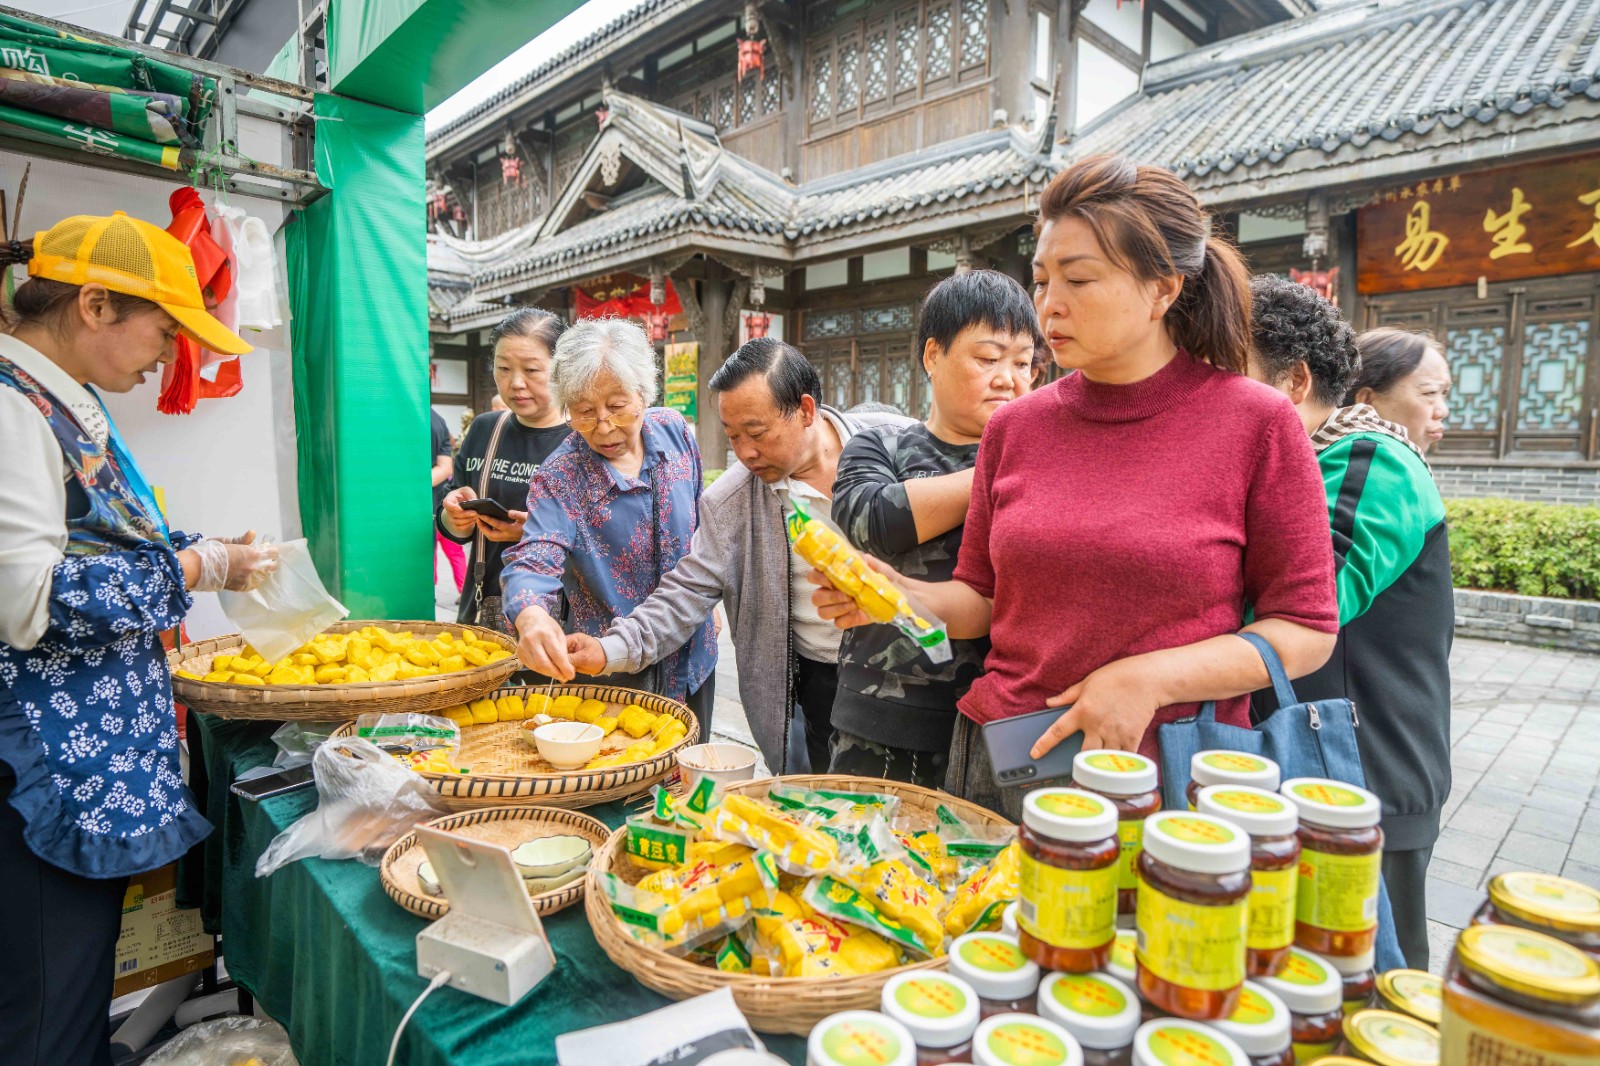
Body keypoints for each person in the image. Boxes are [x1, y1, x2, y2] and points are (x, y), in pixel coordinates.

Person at [811, 155, 1339, 820]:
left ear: (1163, 289)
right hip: (1008, 758)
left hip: (1160, 775)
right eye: (1040, 280)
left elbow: (1306, 627)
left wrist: (1147, 679)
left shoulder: (1254, 424)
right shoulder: (1018, 428)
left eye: (1079, 278)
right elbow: (983, 598)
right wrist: (901, 597)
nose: (1047, 306)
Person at [0, 212, 277, 1065]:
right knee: (46, 1018)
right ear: (92, 304)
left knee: (71, 1001)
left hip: (92, 765)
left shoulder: (61, 403)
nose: (170, 355)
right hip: (48, 769)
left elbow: (100, 539)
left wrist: (201, 549)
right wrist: (198, 568)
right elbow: (24, 602)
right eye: (163, 329)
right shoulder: (12, 409)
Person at [557, 338, 910, 773]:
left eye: (757, 433)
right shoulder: (733, 501)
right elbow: (683, 594)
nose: (745, 453)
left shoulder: (897, 444)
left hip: (917, 668)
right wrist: (610, 649)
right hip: (823, 678)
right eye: (732, 436)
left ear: (805, 409)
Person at [1248, 275, 1452, 969]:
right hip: (1313, 768)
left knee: (1371, 983)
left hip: (1368, 775)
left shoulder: (1368, 459)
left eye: (1227, 377)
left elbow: (1311, 603)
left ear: (1294, 381)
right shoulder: (1307, 461)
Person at [827, 271, 1042, 787]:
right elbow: (874, 520)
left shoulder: (1049, 457)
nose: (1008, 378)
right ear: (932, 357)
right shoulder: (881, 447)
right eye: (988, 359)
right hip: (882, 716)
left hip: (1007, 720)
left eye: (1023, 363)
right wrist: (998, 470)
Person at [500, 319, 717, 732]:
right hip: (610, 669)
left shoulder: (675, 432)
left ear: (643, 392)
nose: (603, 426)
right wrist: (531, 616)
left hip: (693, 655)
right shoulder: (561, 476)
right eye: (583, 412)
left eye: (617, 406)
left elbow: (702, 525)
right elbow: (534, 556)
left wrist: (711, 601)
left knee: (689, 783)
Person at [439, 309, 571, 629]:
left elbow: (610, 543)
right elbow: (452, 527)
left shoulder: (584, 442)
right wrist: (453, 517)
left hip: (556, 620)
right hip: (485, 608)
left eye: (531, 370)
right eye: (503, 368)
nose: (515, 383)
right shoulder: (486, 429)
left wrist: (534, 535)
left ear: (563, 369)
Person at [1345, 327, 1453, 454]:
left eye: (1444, 393)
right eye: (1430, 392)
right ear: (1366, 401)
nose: (1443, 411)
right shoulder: (1371, 466)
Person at [432, 408, 467, 599]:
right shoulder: (439, 421)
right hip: (444, 505)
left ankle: (432, 588)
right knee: (454, 552)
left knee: (436, 551)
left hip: (439, 506)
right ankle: (463, 589)